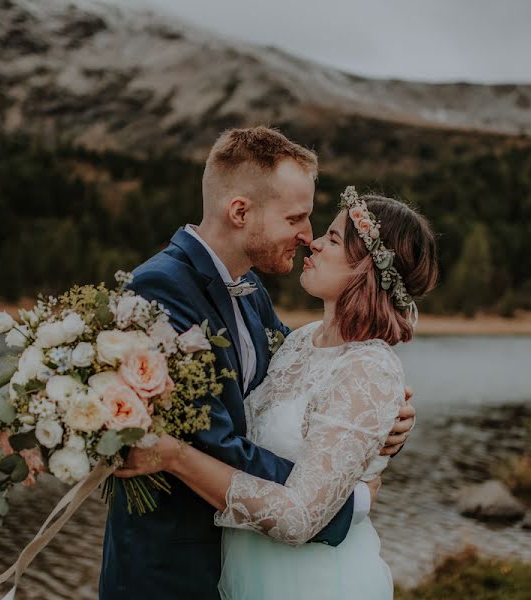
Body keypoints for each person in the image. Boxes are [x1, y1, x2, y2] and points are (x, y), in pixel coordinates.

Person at [99, 127, 420, 599]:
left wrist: (379, 423)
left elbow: (322, 379)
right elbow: (215, 445)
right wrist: (349, 499)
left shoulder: (250, 293)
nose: (308, 237)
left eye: (319, 227)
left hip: (255, 570)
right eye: (297, 218)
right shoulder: (161, 292)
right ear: (240, 212)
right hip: (168, 572)